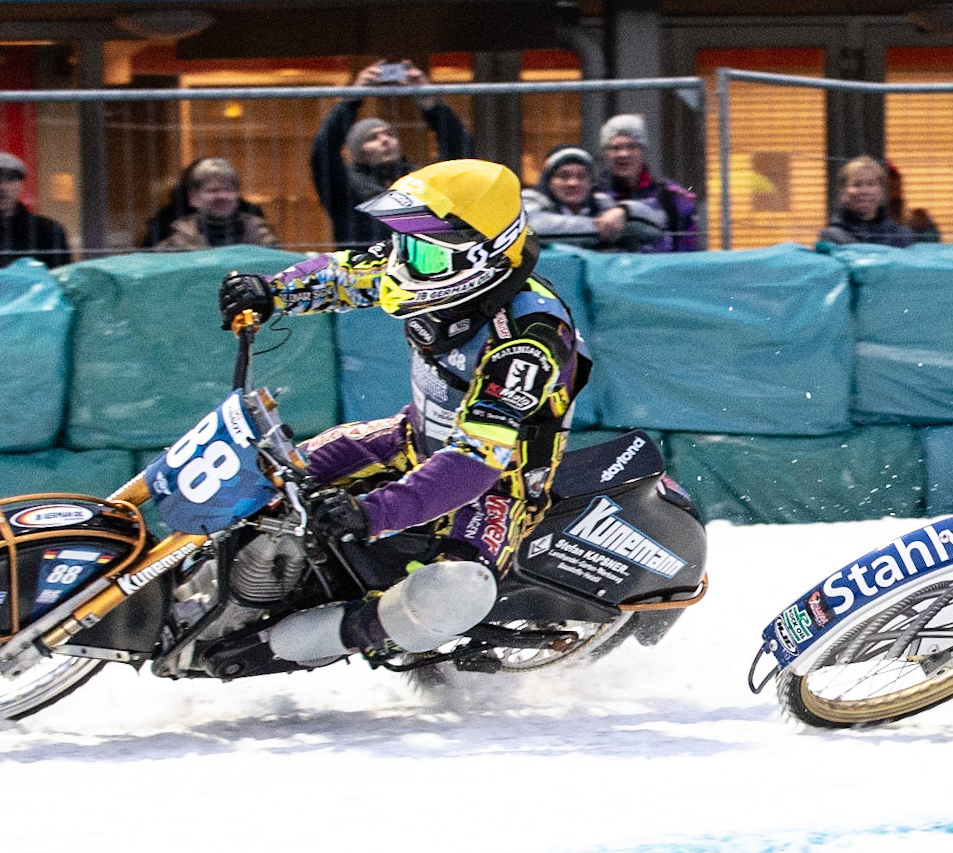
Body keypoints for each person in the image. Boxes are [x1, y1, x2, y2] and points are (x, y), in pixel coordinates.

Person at [212, 159, 587, 671]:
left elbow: (476, 462)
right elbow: (349, 272)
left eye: (423, 250)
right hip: (411, 437)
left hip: (496, 485)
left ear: (481, 255)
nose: (403, 262)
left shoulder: (528, 341)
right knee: (275, 471)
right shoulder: (428, 270)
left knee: (455, 588)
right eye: (404, 243)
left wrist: (373, 513)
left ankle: (325, 638)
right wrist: (272, 290)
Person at [311, 60, 473, 249]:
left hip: (417, 271)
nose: (385, 140)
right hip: (364, 270)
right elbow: (323, 152)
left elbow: (458, 151)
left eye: (390, 134)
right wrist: (351, 100)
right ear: (357, 150)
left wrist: (432, 105)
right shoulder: (346, 187)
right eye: (372, 137)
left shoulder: (418, 179)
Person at [521, 145, 666, 251]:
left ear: (591, 181)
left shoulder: (601, 202)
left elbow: (657, 222)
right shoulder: (531, 199)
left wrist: (625, 211)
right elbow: (534, 226)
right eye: (564, 176)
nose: (573, 183)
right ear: (549, 181)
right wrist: (601, 227)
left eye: (581, 176)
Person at [596, 114, 700, 252]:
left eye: (632, 146)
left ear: (642, 150)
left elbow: (688, 257)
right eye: (615, 148)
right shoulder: (592, 197)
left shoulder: (672, 198)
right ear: (606, 153)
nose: (624, 154)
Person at [139, 158, 270, 248]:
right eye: (212, 190)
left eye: (228, 189)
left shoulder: (259, 233)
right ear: (193, 198)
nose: (221, 196)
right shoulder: (178, 239)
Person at [818, 155, 917, 247]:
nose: (864, 191)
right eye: (857, 184)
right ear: (843, 191)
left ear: (882, 191)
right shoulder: (831, 238)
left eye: (871, 184)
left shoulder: (901, 237)